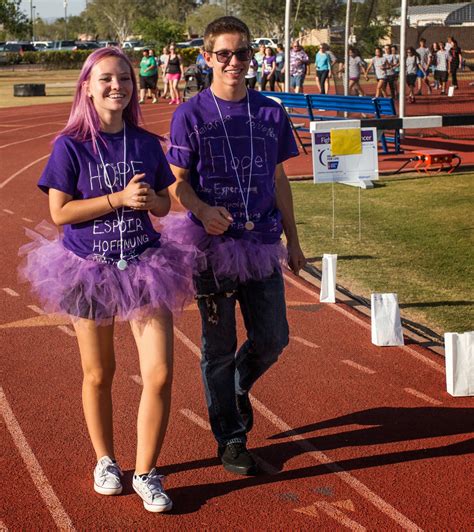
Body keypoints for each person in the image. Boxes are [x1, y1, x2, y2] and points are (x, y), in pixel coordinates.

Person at [18, 47, 201, 513]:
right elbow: (60, 213)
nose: (116, 85)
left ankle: (146, 472)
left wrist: (149, 202)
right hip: (89, 267)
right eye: (106, 79)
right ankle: (105, 460)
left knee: (159, 373)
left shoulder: (143, 142)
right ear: (87, 87)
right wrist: (117, 199)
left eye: (124, 78)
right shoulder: (70, 145)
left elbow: (163, 203)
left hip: (144, 266)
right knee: (99, 373)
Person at [165, 16, 306, 476]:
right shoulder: (190, 114)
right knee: (218, 348)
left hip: (263, 242)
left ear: (251, 57)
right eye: (223, 54)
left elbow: (280, 179)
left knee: (274, 338)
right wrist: (203, 211)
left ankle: (235, 389)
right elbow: (177, 185)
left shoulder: (270, 111)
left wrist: (295, 239)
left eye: (241, 53)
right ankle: (230, 438)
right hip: (212, 250)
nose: (233, 62)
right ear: (207, 58)